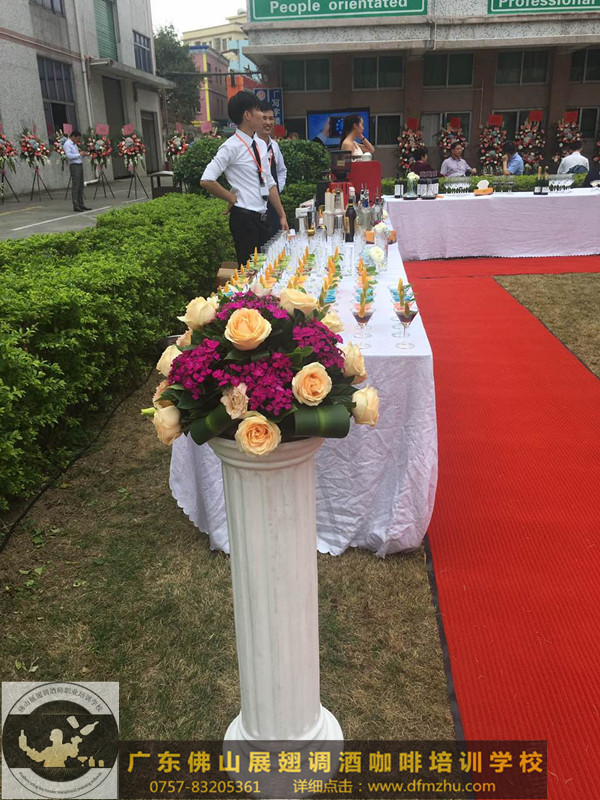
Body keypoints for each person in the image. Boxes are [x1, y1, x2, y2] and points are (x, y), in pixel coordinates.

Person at [200, 91, 288, 267]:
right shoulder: (230, 147)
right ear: (247, 115)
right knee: (249, 272)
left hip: (263, 217)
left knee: (267, 269)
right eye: (258, 110)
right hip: (244, 219)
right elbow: (207, 179)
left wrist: (282, 215)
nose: (262, 115)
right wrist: (231, 197)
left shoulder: (260, 144)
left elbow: (269, 182)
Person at [257, 100, 288, 240]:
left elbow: (282, 171)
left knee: (276, 241)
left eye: (271, 118)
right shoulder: (250, 145)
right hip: (257, 204)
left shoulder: (274, 146)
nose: (268, 122)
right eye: (264, 118)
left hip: (273, 204)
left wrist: (276, 189)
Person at [63, 130, 91, 212]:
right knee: (76, 186)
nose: (78, 140)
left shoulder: (74, 144)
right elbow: (69, 156)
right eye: (77, 138)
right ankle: (76, 205)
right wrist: (79, 154)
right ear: (73, 136)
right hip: (74, 166)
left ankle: (81, 204)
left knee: (81, 185)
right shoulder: (67, 144)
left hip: (79, 164)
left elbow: (77, 156)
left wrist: (83, 155)